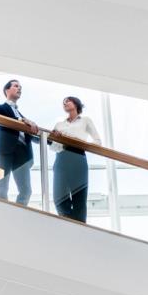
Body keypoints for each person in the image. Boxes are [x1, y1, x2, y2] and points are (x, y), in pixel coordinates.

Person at [51, 95, 101, 223]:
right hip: (61, 158)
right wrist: (57, 139)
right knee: (59, 199)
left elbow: (97, 141)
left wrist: (80, 143)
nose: (65, 103)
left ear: (76, 103)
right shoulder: (59, 124)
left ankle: (78, 230)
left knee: (79, 199)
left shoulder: (85, 120)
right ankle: (71, 224)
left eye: (68, 101)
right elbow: (54, 147)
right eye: (63, 102)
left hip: (78, 158)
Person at [0, 78, 38, 206]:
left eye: (20, 87)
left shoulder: (23, 116)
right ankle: (2, 214)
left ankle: (17, 215)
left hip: (23, 156)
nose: (19, 88)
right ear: (7, 90)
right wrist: (22, 120)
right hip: (2, 154)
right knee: (1, 187)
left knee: (26, 190)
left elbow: (35, 137)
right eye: (16, 86)